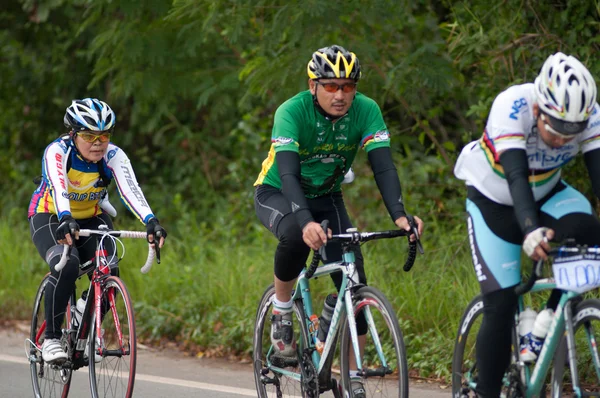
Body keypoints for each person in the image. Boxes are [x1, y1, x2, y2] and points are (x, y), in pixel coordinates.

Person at [254, 45, 424, 397]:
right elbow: (287, 173)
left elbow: (383, 166)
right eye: (331, 86)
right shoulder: (292, 111)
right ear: (312, 85)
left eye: (348, 86)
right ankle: (283, 312)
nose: (340, 94)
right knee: (295, 236)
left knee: (353, 278)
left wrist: (401, 216)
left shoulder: (366, 111)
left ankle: (352, 375)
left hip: (327, 195)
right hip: (278, 192)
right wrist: (303, 221)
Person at [454, 52, 600, 397]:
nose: (566, 138)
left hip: (550, 192)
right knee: (500, 305)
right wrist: (530, 228)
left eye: (574, 130)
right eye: (559, 128)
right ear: (538, 110)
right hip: (495, 201)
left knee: (591, 233)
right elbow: (517, 177)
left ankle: (547, 320)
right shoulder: (512, 105)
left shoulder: (589, 115)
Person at [28, 98, 167, 363]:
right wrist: (66, 217)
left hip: (91, 216)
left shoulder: (113, 155)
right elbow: (58, 187)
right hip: (50, 214)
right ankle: (51, 339)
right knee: (66, 265)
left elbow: (130, 189)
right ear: (73, 134)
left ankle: (84, 316)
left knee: (110, 267)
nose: (98, 143)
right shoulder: (57, 152)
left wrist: (151, 221)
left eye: (103, 135)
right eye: (89, 136)